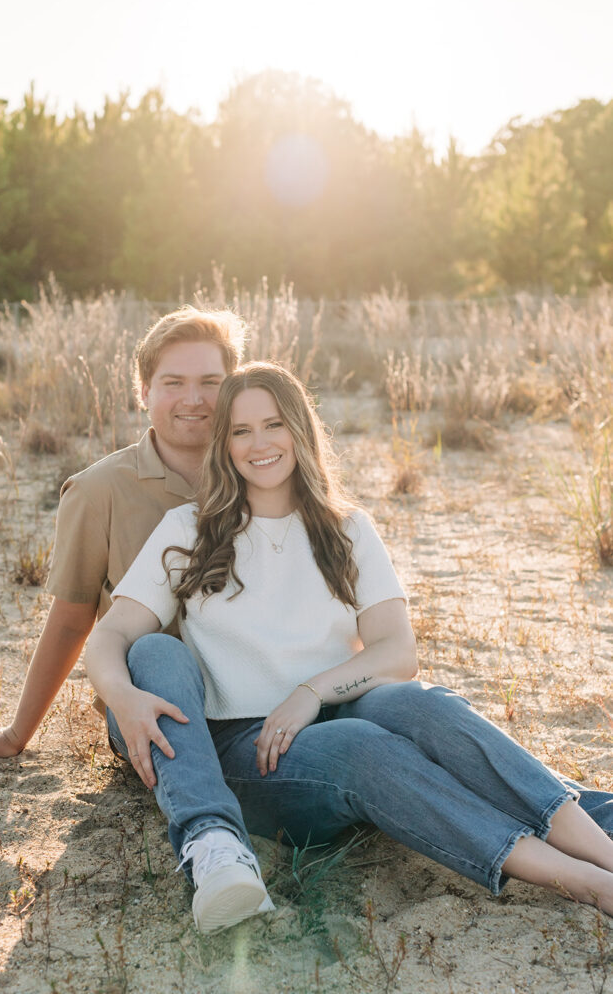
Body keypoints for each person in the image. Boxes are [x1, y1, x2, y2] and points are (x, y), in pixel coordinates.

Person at [85, 362, 613, 936]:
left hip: (332, 707)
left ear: (300, 431)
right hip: (246, 747)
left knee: (425, 704)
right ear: (224, 444)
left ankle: (603, 850)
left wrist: (310, 692)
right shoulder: (188, 527)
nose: (259, 444)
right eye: (240, 431)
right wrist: (121, 697)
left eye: (274, 424)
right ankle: (580, 879)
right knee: (345, 738)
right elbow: (110, 636)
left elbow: (397, 652)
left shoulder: (348, 528)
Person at [0, 305, 245, 756]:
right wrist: (17, 733)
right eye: (173, 383)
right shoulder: (97, 491)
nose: (193, 399)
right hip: (146, 701)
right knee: (158, 653)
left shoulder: (262, 474)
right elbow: (69, 621)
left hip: (251, 698)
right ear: (143, 391)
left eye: (210, 383)